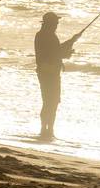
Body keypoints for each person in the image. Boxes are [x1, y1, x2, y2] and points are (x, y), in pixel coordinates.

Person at [34, 11, 81, 141]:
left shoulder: (42, 35)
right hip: (49, 73)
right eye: (55, 23)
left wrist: (71, 41)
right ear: (50, 23)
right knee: (52, 102)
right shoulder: (48, 36)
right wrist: (70, 45)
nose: (57, 25)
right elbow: (55, 53)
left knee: (49, 102)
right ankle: (48, 130)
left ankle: (46, 129)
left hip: (46, 72)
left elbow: (55, 51)